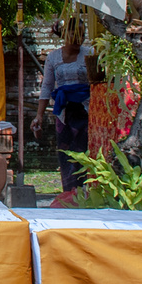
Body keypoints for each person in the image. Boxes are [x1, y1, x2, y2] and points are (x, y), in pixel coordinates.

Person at [32, 16, 93, 193]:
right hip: (64, 113)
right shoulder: (53, 57)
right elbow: (47, 87)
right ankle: (69, 193)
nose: (79, 39)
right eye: (75, 34)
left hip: (86, 110)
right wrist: (39, 116)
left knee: (84, 153)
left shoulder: (90, 54)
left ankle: (86, 193)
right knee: (66, 154)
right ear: (65, 34)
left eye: (82, 35)